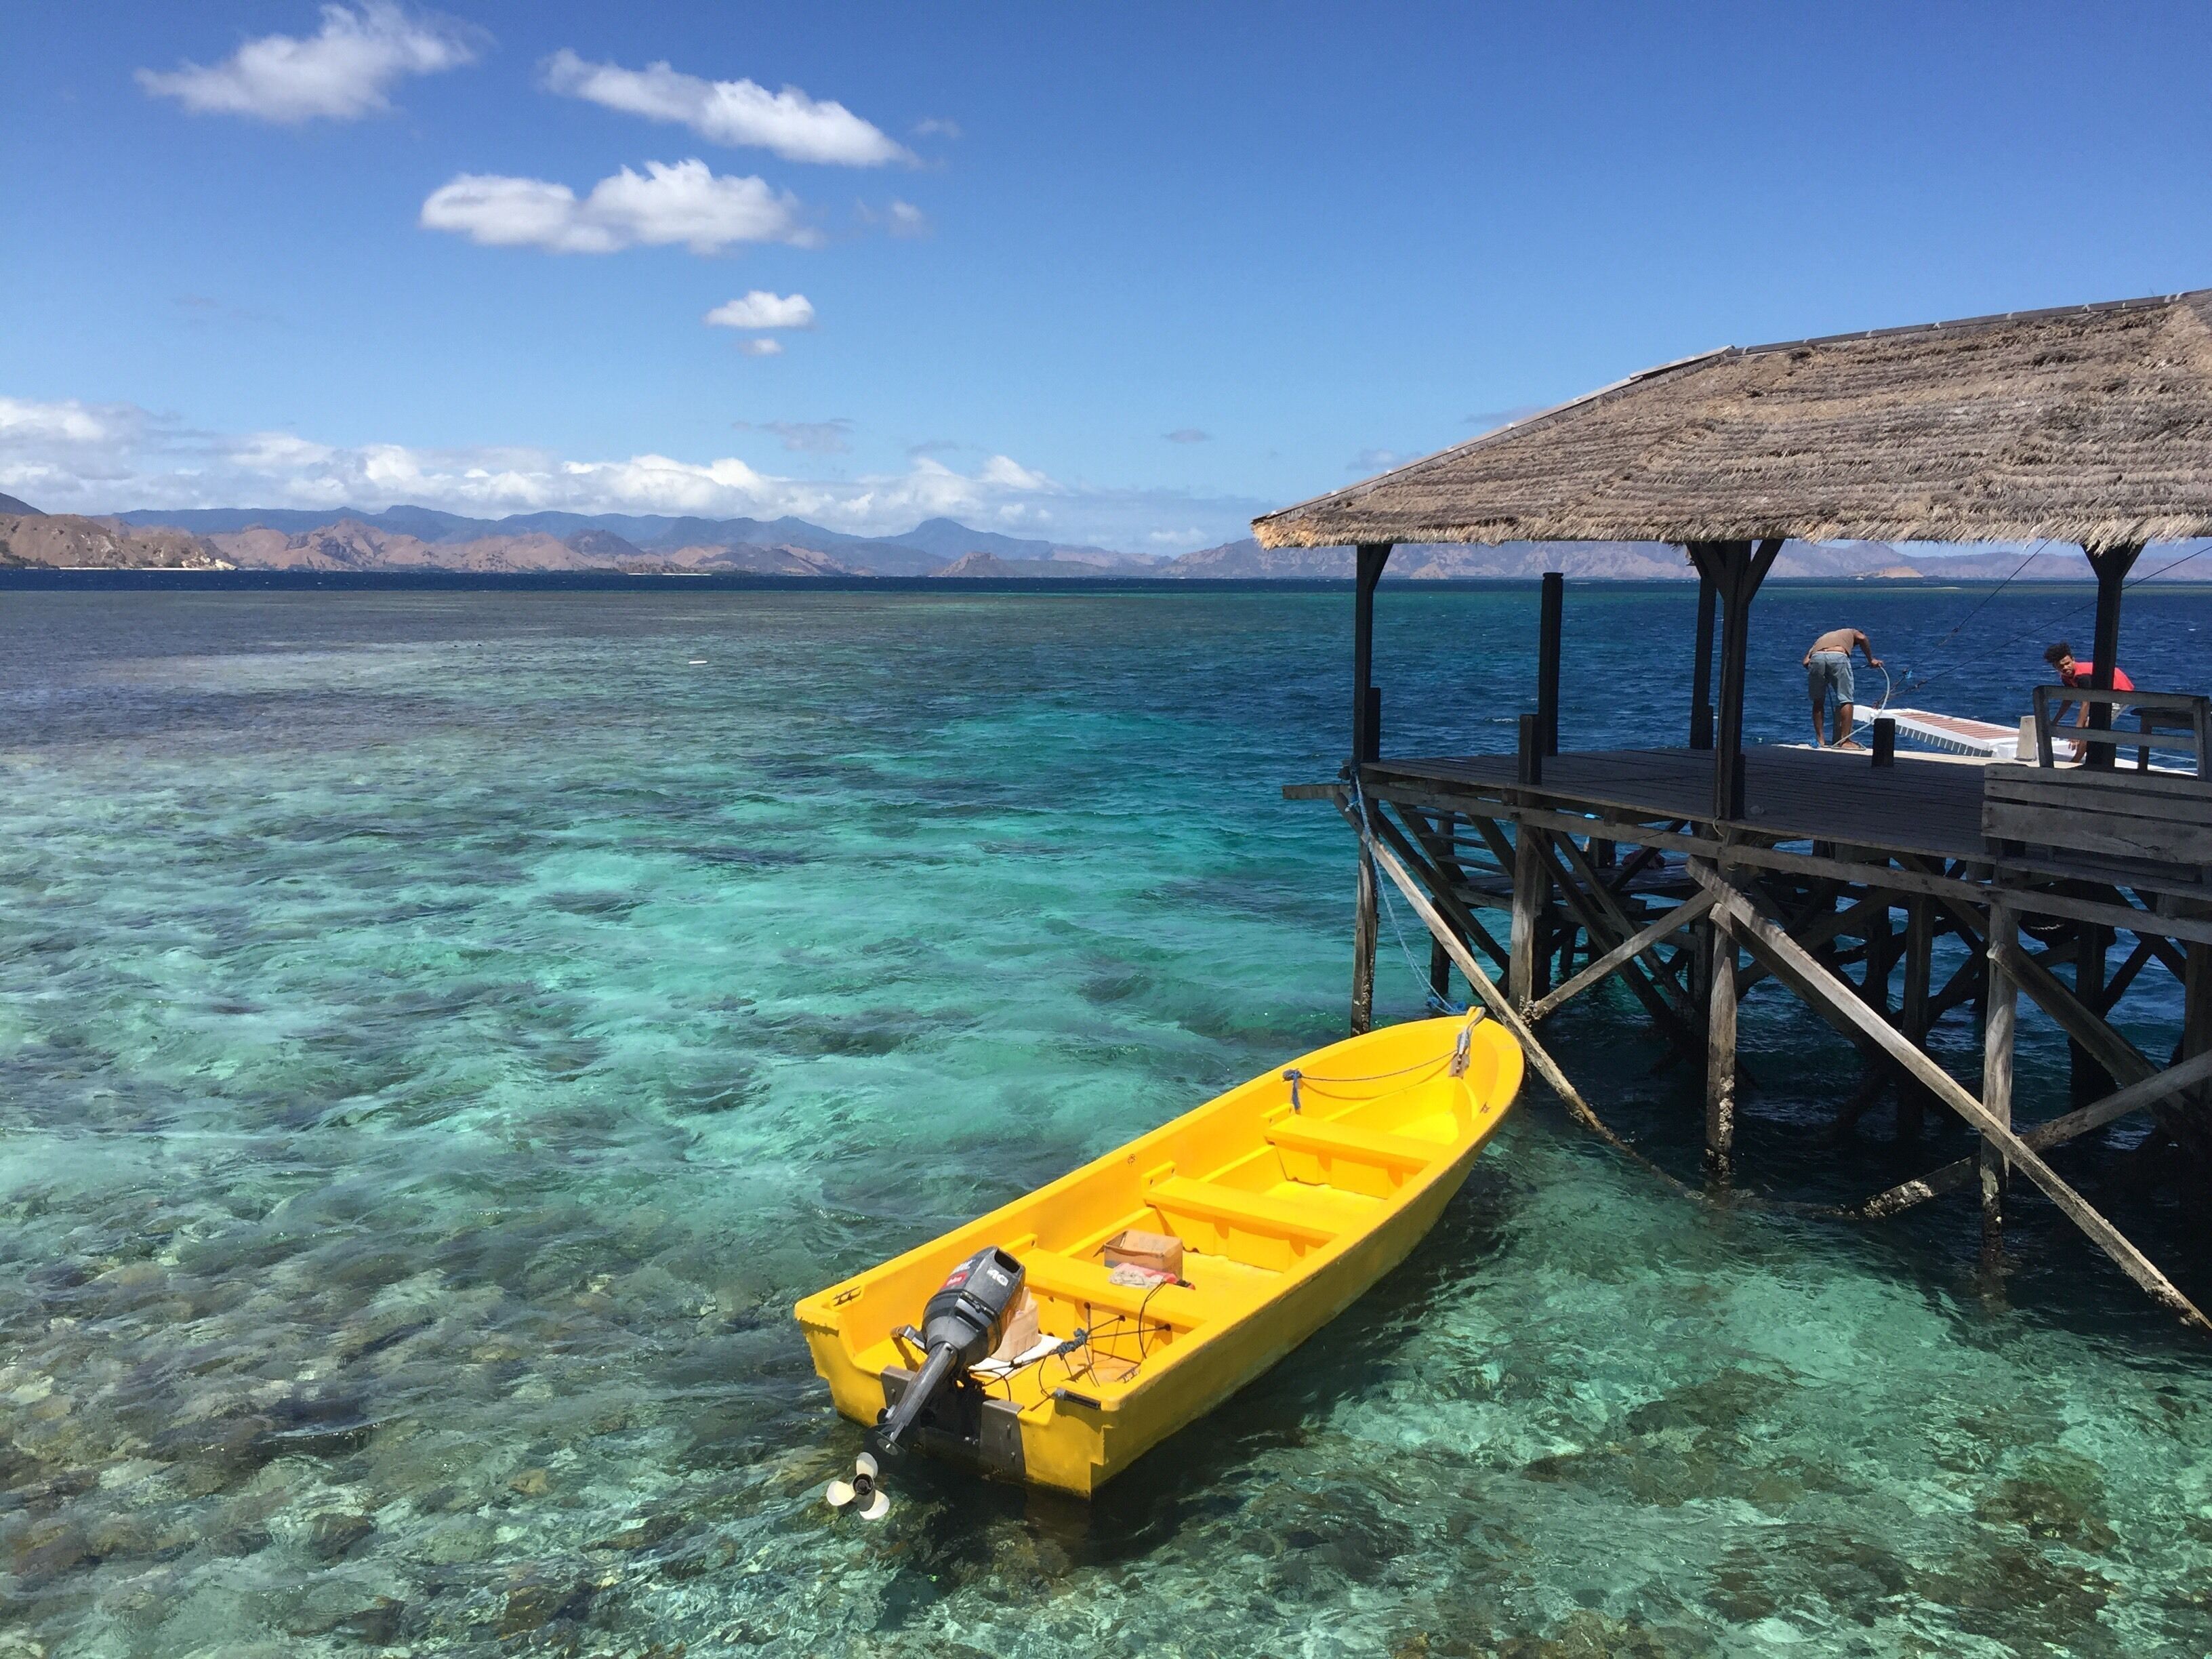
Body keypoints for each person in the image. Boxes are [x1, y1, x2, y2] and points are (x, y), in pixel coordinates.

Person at [1803, 627, 1883, 749]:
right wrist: (1871, 660)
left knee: (1818, 701)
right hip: (1838, 657)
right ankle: (1845, 741)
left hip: (1817, 657)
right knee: (1846, 700)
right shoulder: (1853, 632)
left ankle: (1820, 740)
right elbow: (1862, 638)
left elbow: (1805, 662)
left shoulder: (1823, 637)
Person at [2044, 640, 2135, 726]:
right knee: (2089, 724)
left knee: (2092, 725)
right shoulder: (2066, 677)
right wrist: (2055, 721)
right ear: (2055, 667)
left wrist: (2078, 731)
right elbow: (2068, 699)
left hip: (2120, 690)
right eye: (2061, 666)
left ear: (2073, 660)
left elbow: (2086, 703)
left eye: (2068, 663)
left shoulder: (2082, 676)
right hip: (2103, 693)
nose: (2065, 667)